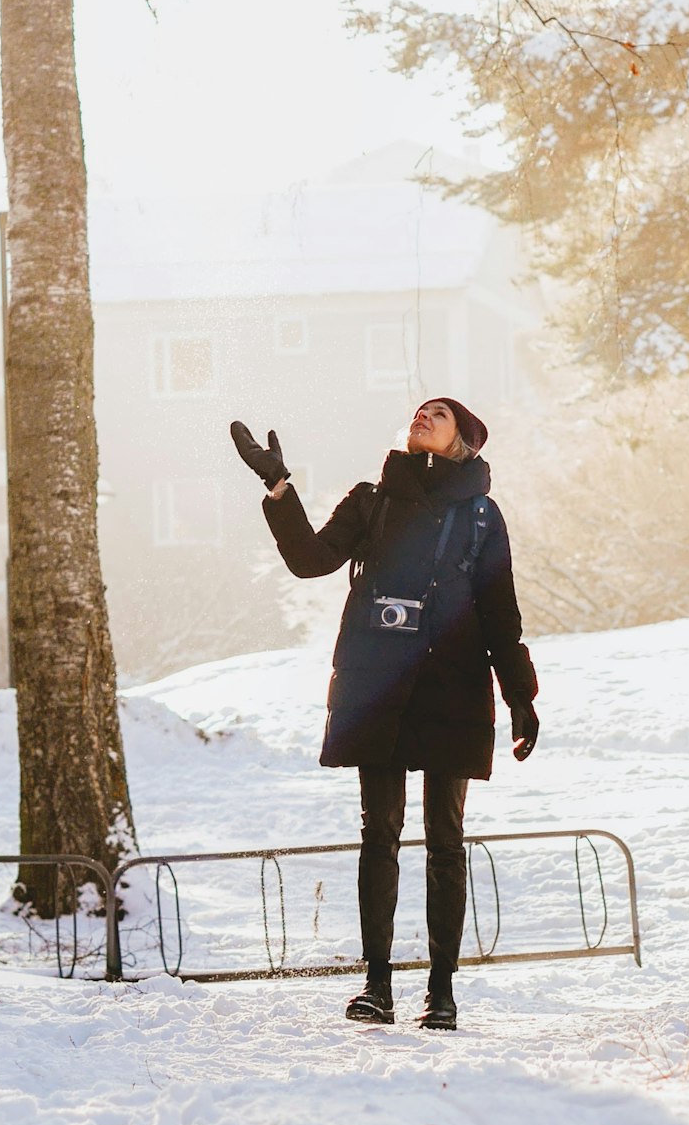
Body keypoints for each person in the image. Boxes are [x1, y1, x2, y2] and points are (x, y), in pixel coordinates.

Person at [230, 399, 538, 1030]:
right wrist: (278, 488)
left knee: (445, 844)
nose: (423, 417)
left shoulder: (481, 515)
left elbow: (501, 612)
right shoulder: (372, 499)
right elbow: (310, 560)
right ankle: (377, 986)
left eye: (439, 415)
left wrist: (520, 697)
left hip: (452, 687)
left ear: (463, 441)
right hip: (380, 685)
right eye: (419, 412)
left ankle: (442, 992)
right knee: (380, 836)